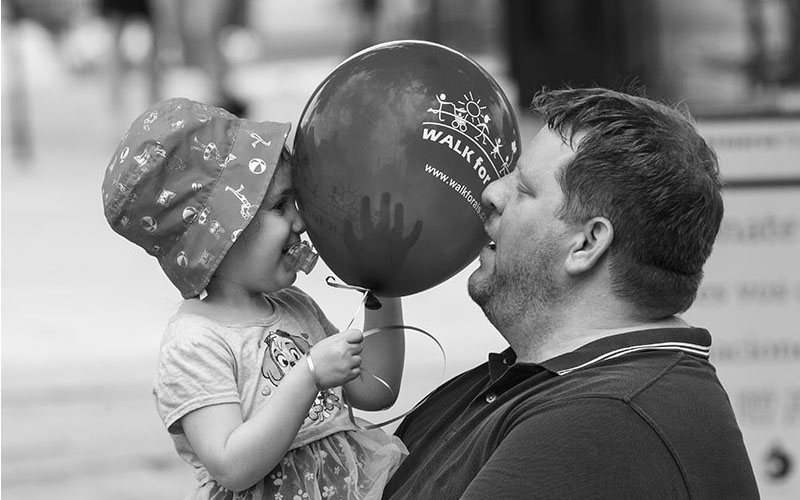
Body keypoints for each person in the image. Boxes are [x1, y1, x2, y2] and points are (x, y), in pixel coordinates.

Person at [382, 87, 760, 499]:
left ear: (586, 244)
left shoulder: (605, 418)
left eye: (524, 189)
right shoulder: (554, 383)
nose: (491, 193)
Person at [102, 97, 406, 499]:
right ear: (221, 232)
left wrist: (382, 283)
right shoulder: (195, 343)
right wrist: (309, 374)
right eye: (281, 206)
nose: (300, 221)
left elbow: (376, 389)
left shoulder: (296, 307)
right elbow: (231, 465)